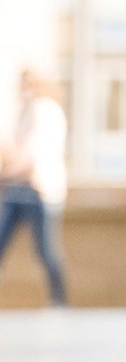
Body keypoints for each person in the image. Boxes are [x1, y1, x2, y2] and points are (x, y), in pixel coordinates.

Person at [0, 67, 69, 308]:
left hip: (40, 192)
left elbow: (32, 154)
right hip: (17, 190)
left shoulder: (46, 111)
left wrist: (6, 172)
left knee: (46, 250)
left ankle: (58, 300)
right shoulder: (23, 112)